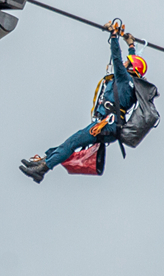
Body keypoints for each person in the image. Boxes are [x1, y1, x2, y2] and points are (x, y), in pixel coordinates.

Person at [20, 22, 148, 183]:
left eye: (127, 63)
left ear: (131, 68)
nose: (124, 63)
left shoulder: (124, 78)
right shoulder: (131, 83)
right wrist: (131, 45)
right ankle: (43, 162)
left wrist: (114, 36)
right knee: (69, 143)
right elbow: (132, 62)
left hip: (105, 124)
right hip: (111, 126)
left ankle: (43, 169)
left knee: (71, 143)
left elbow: (116, 57)